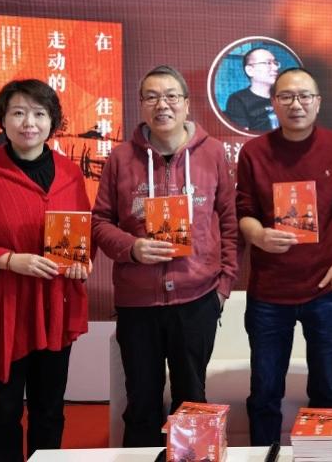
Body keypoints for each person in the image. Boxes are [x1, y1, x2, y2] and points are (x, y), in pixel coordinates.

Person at [92, 65, 238, 446]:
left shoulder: (213, 153)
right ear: (141, 105)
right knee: (141, 403)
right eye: (152, 97)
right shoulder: (120, 158)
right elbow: (100, 222)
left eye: (171, 96)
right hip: (138, 303)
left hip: (197, 300)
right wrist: (132, 248)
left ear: (187, 104)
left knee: (193, 401)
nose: (163, 105)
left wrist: (223, 287)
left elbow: (229, 220)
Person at [0, 79, 90, 462]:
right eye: (18, 113)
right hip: (3, 308)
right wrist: (7, 259)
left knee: (50, 408)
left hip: (53, 304)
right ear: (3, 120)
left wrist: (83, 263)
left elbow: (81, 230)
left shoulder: (69, 173)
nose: (28, 123)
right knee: (3, 410)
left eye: (39, 113)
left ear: (52, 122)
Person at [236, 67, 332, 445]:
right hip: (269, 292)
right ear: (273, 103)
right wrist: (258, 235)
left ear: (318, 102)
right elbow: (243, 211)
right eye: (286, 96)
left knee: (328, 389)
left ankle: (322, 454)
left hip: (325, 287)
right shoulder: (254, 152)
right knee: (264, 391)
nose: (296, 104)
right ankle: (265, 454)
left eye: (305, 96)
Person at [225, 47, 280, 131]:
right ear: (250, 70)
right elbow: (243, 135)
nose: (275, 68)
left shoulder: (284, 96)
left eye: (275, 63)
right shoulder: (238, 100)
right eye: (268, 63)